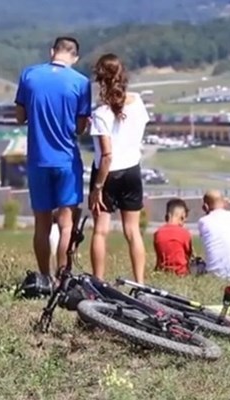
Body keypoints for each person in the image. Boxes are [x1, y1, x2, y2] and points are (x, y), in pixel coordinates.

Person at [14, 37, 91, 281]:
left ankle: (44, 277)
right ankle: (62, 278)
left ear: (52, 52)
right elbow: (80, 127)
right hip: (66, 160)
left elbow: (19, 117)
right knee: (66, 224)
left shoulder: (29, 75)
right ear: (75, 57)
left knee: (42, 223)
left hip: (38, 159)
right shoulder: (81, 82)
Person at [88, 53, 148, 284]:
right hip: (132, 169)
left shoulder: (100, 114)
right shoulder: (138, 102)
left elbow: (107, 155)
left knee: (100, 230)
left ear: (100, 79)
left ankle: (98, 282)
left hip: (107, 174)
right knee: (132, 231)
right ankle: (140, 282)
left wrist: (97, 187)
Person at [153, 198, 193, 276]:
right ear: (182, 217)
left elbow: (159, 257)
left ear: (166, 216)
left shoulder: (157, 233)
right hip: (181, 273)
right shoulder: (185, 233)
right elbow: (189, 256)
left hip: (163, 272)